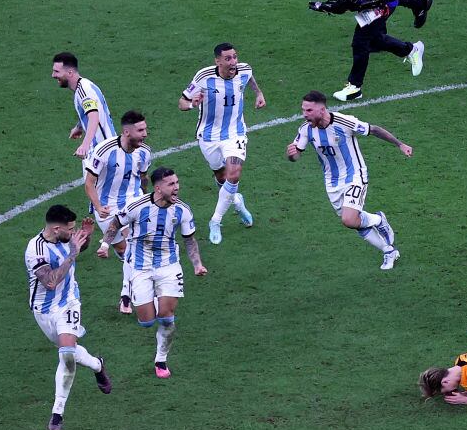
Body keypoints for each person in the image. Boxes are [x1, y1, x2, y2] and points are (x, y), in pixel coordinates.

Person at [97, 168, 207, 378]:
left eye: (177, 182)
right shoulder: (137, 206)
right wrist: (104, 245)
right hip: (141, 265)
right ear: (158, 188)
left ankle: (161, 359)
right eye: (171, 184)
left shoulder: (183, 210)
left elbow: (189, 240)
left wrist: (197, 265)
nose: (176, 188)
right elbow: (116, 223)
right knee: (146, 321)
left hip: (168, 265)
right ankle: (148, 295)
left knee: (167, 317)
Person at [287, 91, 408, 269]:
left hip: (355, 175)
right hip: (332, 182)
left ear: (322, 109)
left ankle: (378, 220)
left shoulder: (343, 122)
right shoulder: (306, 129)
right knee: (354, 223)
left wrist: (400, 144)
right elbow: (296, 154)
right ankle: (388, 250)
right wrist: (291, 155)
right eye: (303, 110)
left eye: (309, 110)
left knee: (349, 219)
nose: (304, 114)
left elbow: (373, 129)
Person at [25, 205, 111, 430]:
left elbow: (77, 248)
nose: (73, 233)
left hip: (69, 303)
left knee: (66, 355)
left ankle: (57, 413)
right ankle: (97, 365)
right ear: (56, 229)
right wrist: (73, 251)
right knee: (70, 351)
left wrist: (86, 237)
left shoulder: (66, 239)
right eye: (70, 229)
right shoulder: (36, 249)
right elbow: (50, 282)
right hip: (43, 310)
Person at [179, 42, 266, 245]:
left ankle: (215, 221)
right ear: (217, 61)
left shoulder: (244, 69)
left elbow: (250, 78)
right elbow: (181, 102)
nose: (233, 62)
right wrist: (192, 104)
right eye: (228, 58)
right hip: (209, 137)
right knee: (221, 177)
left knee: (233, 174)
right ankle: (237, 202)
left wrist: (259, 93)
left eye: (235, 57)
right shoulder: (204, 77)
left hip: (235, 133)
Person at [83, 110, 152, 314]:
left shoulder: (144, 152)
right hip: (107, 207)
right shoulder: (104, 150)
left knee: (133, 247)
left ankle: (126, 297)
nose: (145, 134)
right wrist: (97, 206)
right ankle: (133, 287)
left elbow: (143, 177)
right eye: (140, 130)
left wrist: (146, 199)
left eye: (145, 129)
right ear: (127, 132)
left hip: (134, 202)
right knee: (125, 250)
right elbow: (89, 183)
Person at [312, 0, 432, 101]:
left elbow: (353, 3)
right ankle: (411, 49)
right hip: (376, 1)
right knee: (374, 40)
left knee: (361, 41)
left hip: (379, 4)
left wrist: (331, 7)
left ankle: (354, 87)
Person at [51, 52, 116, 162]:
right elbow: (91, 111)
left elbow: (94, 117)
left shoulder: (84, 90)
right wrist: (79, 127)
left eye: (56, 71)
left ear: (70, 73)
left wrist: (84, 145)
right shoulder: (82, 87)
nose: (53, 75)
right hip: (102, 151)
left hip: (104, 153)